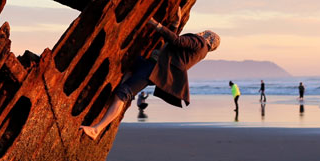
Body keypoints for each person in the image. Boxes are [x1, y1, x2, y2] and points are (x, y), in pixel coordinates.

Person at [80, 15, 220, 140]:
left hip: (154, 68)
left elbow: (176, 41)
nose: (201, 32)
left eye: (204, 32)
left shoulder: (199, 42)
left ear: (208, 37)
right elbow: (173, 45)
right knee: (130, 64)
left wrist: (155, 24)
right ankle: (121, 91)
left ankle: (97, 129)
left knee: (123, 93)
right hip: (153, 66)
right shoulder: (202, 51)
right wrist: (175, 25)